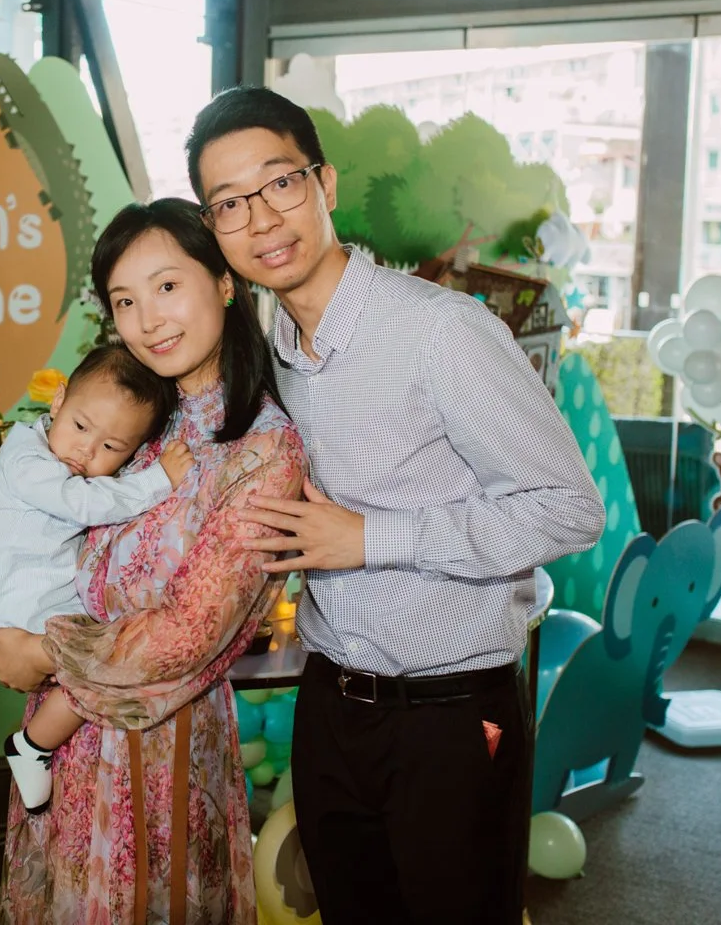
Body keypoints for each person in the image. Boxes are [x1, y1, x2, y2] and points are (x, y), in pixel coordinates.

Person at [186, 85, 605, 924]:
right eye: (229, 204)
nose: (262, 220)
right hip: (332, 701)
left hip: (450, 720)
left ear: (325, 185)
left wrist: (371, 538)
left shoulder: (439, 332)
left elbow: (569, 509)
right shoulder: (273, 350)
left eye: (280, 184)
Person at [0, 198, 308, 924]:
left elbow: (188, 634)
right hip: (66, 748)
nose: (148, 319)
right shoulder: (141, 427)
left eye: (167, 287)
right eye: (125, 301)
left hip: (160, 760)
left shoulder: (261, 450)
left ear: (225, 280)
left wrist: (43, 648)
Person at [0, 342, 194, 814]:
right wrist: (158, 481)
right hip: (19, 602)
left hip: (38, 591)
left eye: (111, 447)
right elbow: (84, 502)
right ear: (58, 402)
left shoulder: (53, 454)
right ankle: (32, 746)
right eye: (80, 426)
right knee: (103, 665)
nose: (86, 450)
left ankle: (34, 745)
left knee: (105, 662)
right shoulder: (28, 462)